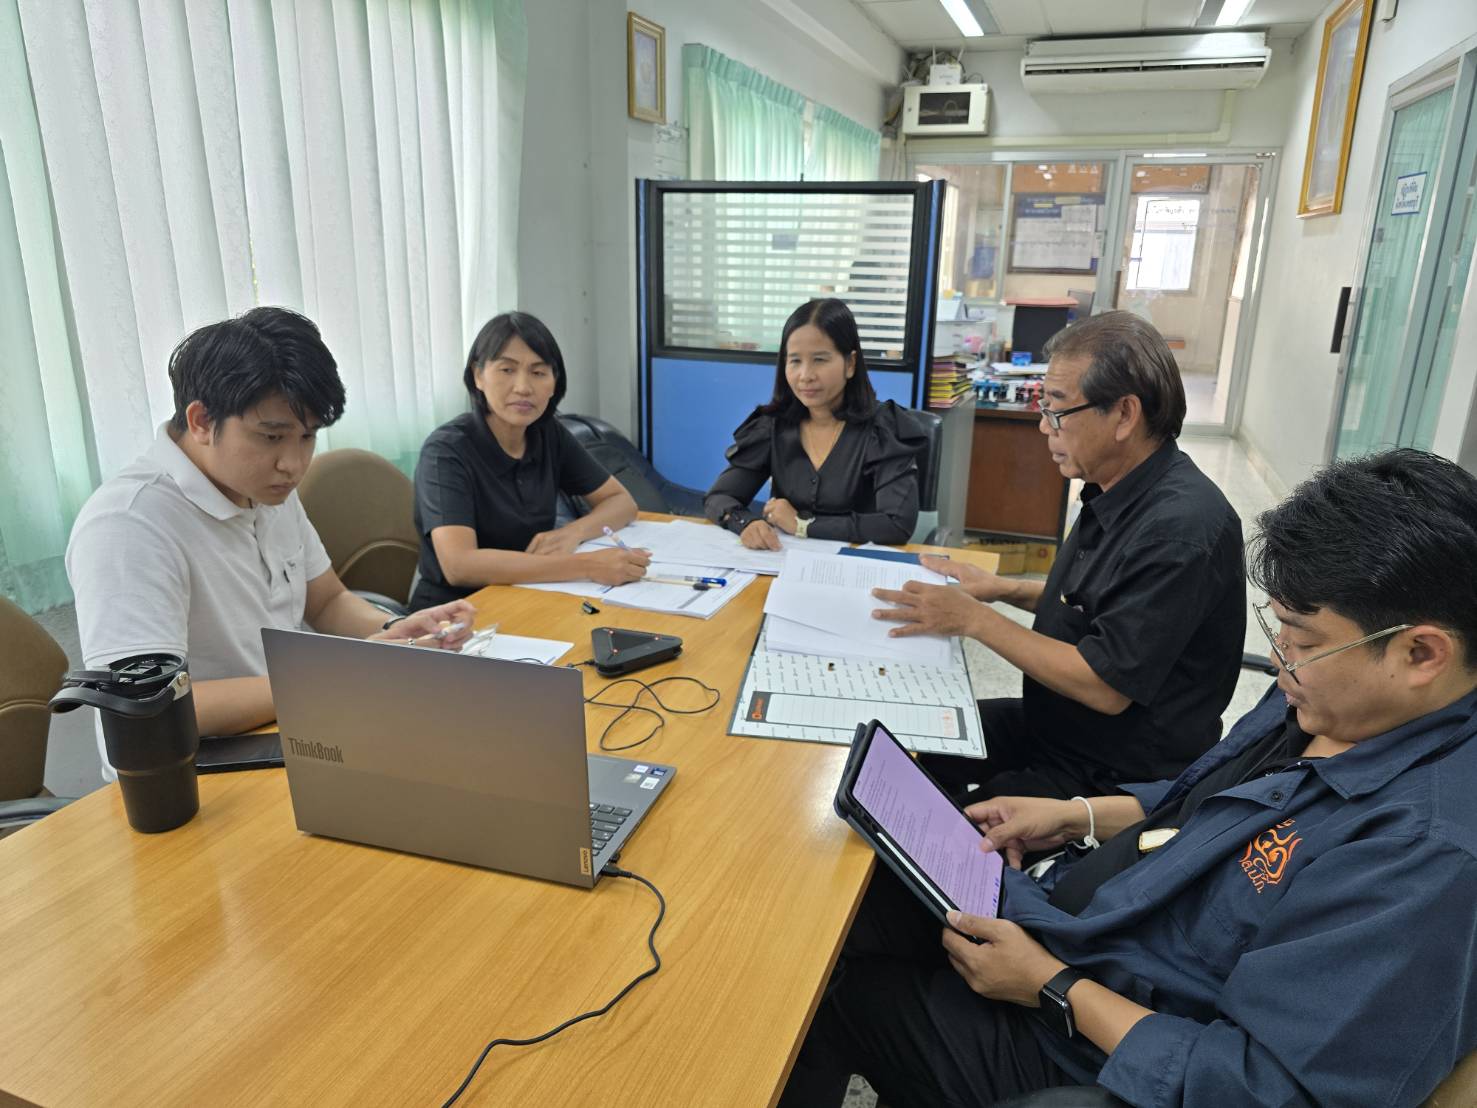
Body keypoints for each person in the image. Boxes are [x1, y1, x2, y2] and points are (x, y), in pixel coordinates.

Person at [783, 448, 1477, 1108]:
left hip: (1092, 1045)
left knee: (824, 995)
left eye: (1300, 642)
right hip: (1081, 923)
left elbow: (1260, 1088)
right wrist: (1074, 815)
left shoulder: (1424, 854)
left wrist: (1050, 987)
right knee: (852, 894)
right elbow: (1211, 802)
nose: (1280, 661)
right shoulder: (1334, 697)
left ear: (1420, 652)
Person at [66, 307, 475, 768]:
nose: (294, 464)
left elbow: (324, 601)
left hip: (293, 728)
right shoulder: (129, 525)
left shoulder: (263, 486)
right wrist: (339, 674)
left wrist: (390, 634)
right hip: (197, 770)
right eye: (272, 436)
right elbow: (151, 708)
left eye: (307, 437)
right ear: (201, 421)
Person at [873, 311, 1244, 800]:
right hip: (1057, 726)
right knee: (904, 743)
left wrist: (974, 620)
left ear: (1125, 415)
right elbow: (1099, 603)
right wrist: (1004, 590)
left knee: (922, 828)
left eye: (1057, 410)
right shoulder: (1117, 485)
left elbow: (1105, 685)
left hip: (1112, 770)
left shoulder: (1178, 530)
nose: (1044, 427)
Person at [411, 311, 648, 608]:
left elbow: (621, 501)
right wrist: (588, 565)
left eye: (538, 373)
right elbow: (460, 565)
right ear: (478, 376)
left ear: (553, 383)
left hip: (530, 597)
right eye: (507, 370)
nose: (523, 387)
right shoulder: (446, 451)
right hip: (456, 615)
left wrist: (571, 533)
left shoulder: (548, 434)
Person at [704, 298, 922, 549]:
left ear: (850, 364)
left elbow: (896, 525)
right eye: (795, 361)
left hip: (859, 570)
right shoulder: (773, 425)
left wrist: (802, 525)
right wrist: (746, 522)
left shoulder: (883, 429)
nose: (805, 375)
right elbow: (719, 497)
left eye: (820, 359)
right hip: (785, 569)